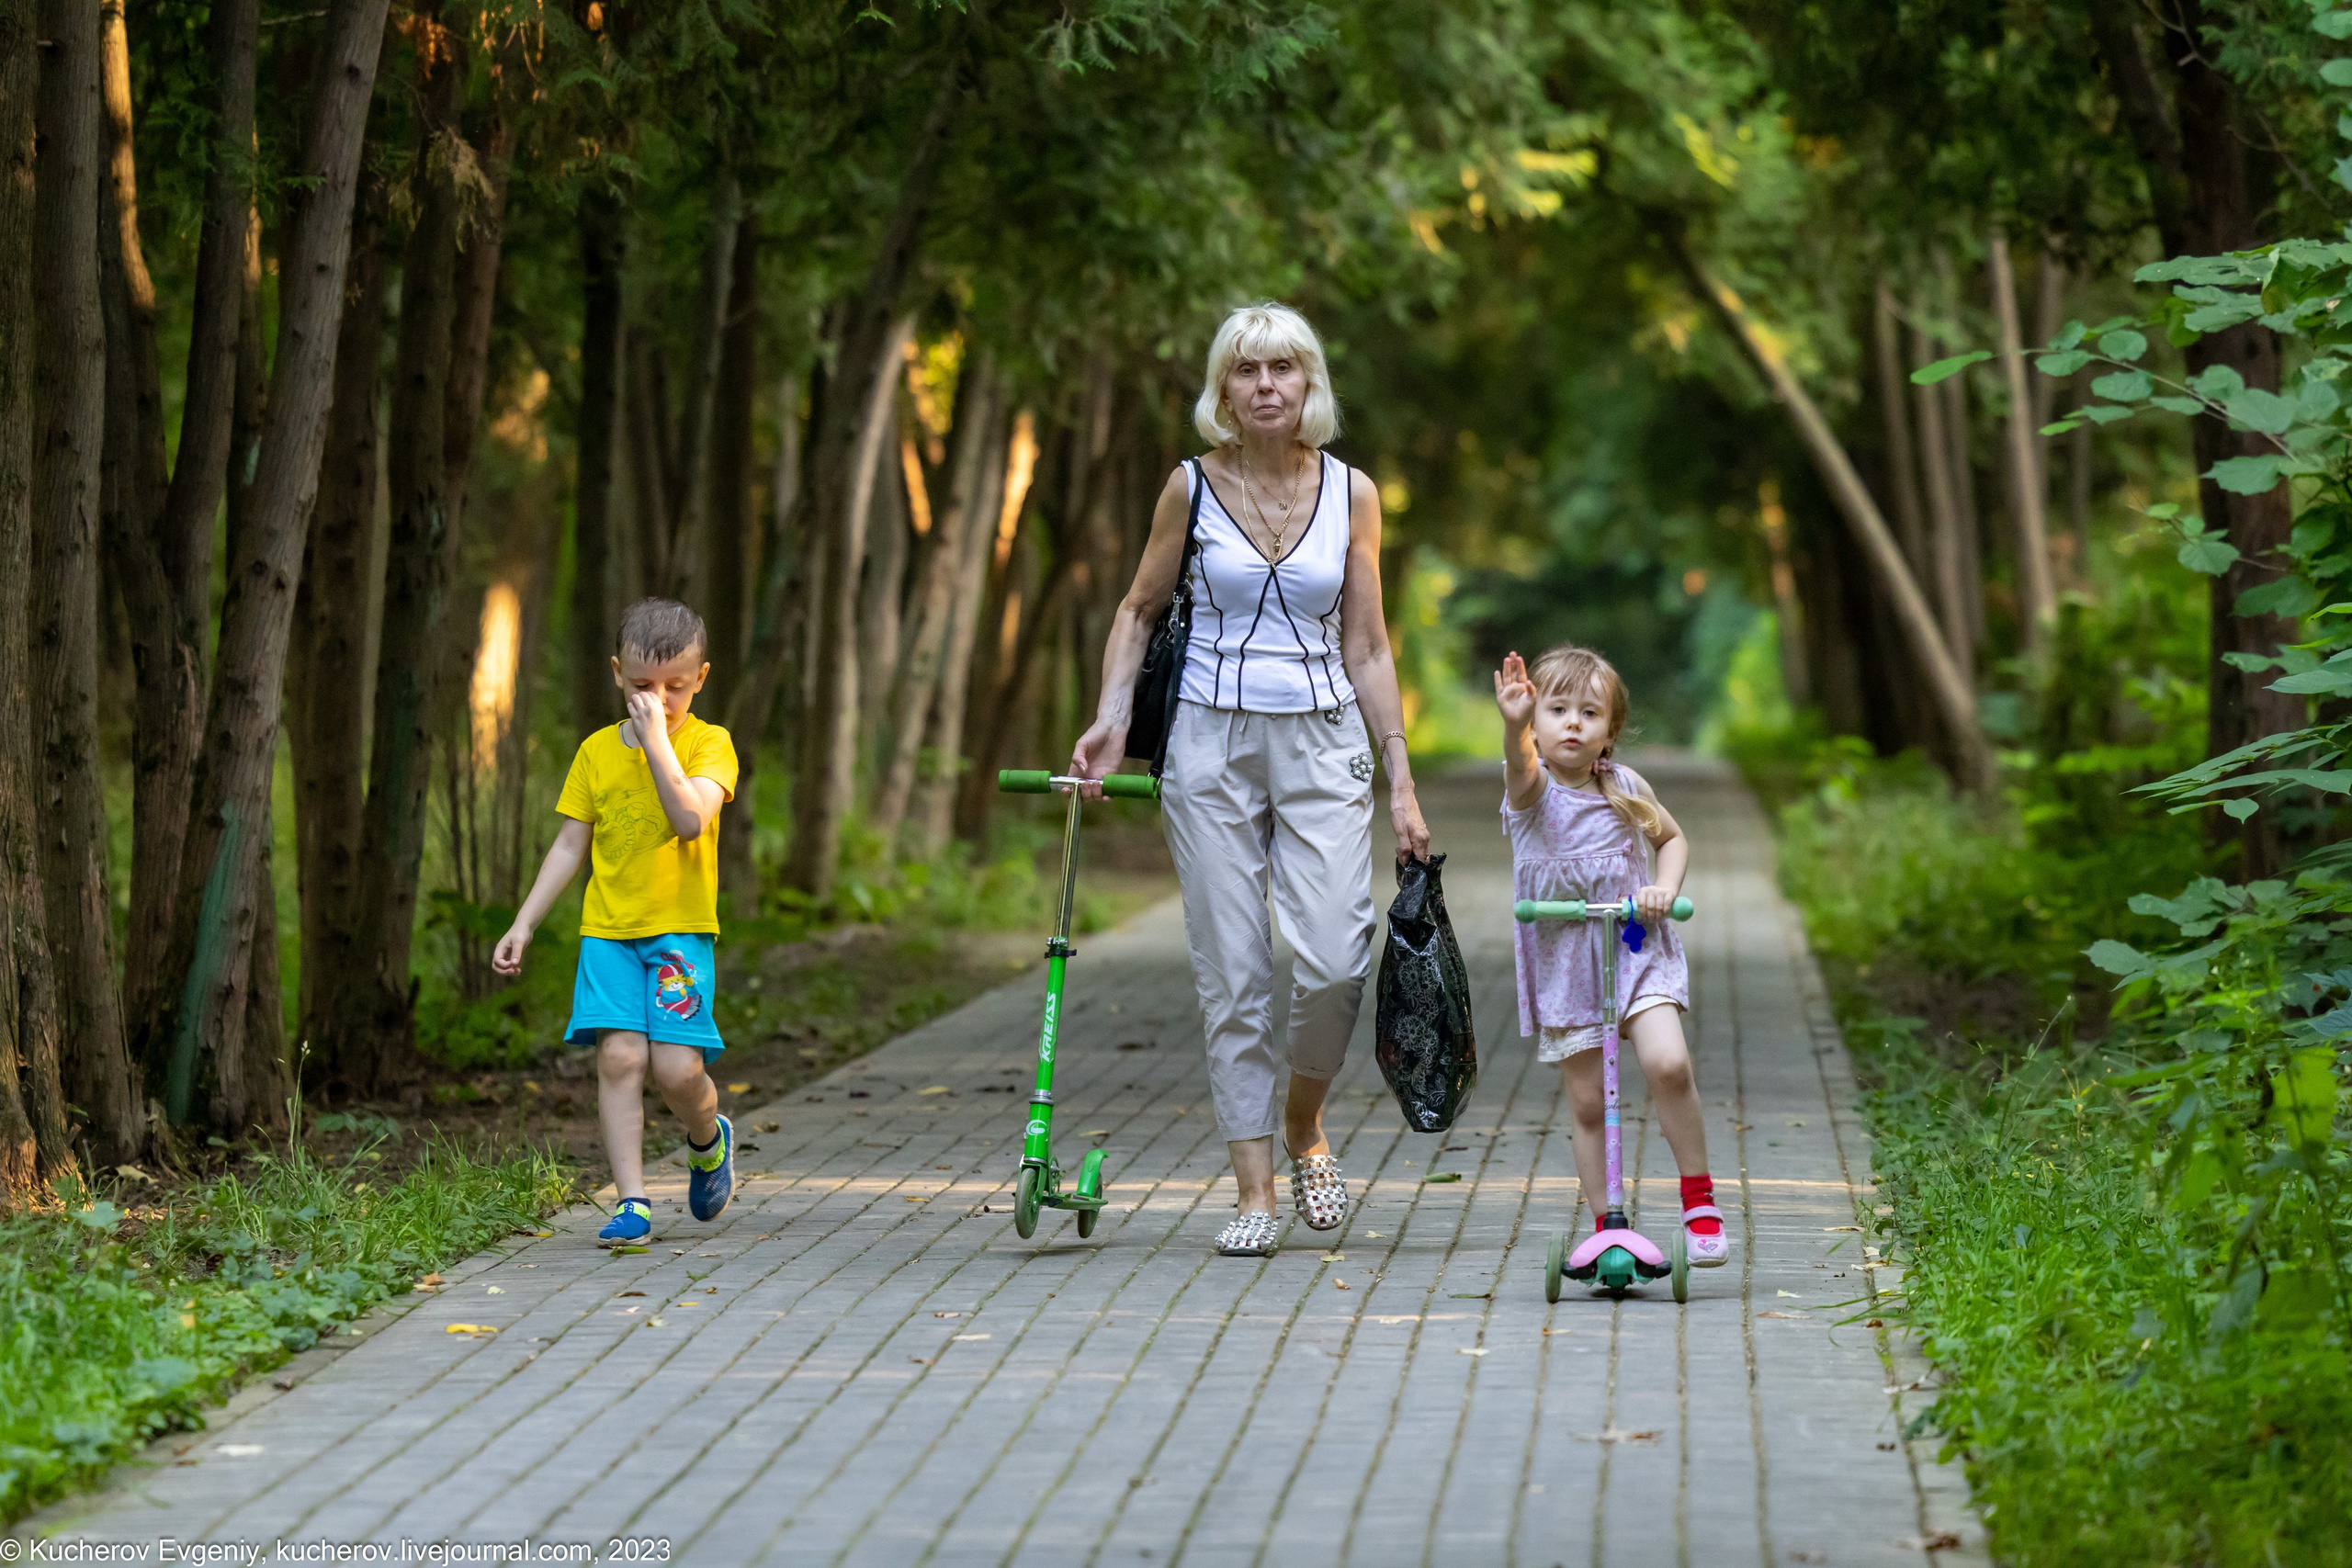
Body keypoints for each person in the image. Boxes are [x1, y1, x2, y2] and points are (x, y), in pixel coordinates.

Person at [1070, 302, 1431, 1258]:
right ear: (1221, 390)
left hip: (1321, 742)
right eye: (1246, 370)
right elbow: (1139, 610)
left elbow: (1366, 642)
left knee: (1335, 961)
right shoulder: (1188, 488)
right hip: (1208, 744)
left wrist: (1401, 780)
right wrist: (1112, 719)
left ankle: (1305, 1122)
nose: (1265, 385)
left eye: (1283, 369)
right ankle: (1254, 1189)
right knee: (1233, 974)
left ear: (1309, 385)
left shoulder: (1353, 493)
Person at [493, 598, 742, 1244]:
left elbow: (691, 819)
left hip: (680, 934)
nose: (656, 700)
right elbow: (570, 845)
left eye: (675, 688)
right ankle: (632, 1200)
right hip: (607, 932)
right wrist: (524, 923)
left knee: (677, 1070)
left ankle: (707, 1139)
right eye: (641, 687)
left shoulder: (710, 743)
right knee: (620, 1057)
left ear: (701, 678)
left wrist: (659, 742)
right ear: (616, 673)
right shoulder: (597, 753)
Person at [1491, 644, 1726, 1265]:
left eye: (1589, 712)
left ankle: (1698, 1196)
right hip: (1566, 964)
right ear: (1537, 723)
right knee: (1590, 1102)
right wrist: (1514, 725)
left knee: (1669, 1064)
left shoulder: (1624, 786)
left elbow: (1670, 839)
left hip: (1634, 946)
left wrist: (1662, 889)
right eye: (1558, 709)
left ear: (1610, 731)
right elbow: (1518, 766)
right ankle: (1607, 1223)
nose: (1573, 722)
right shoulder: (1532, 791)